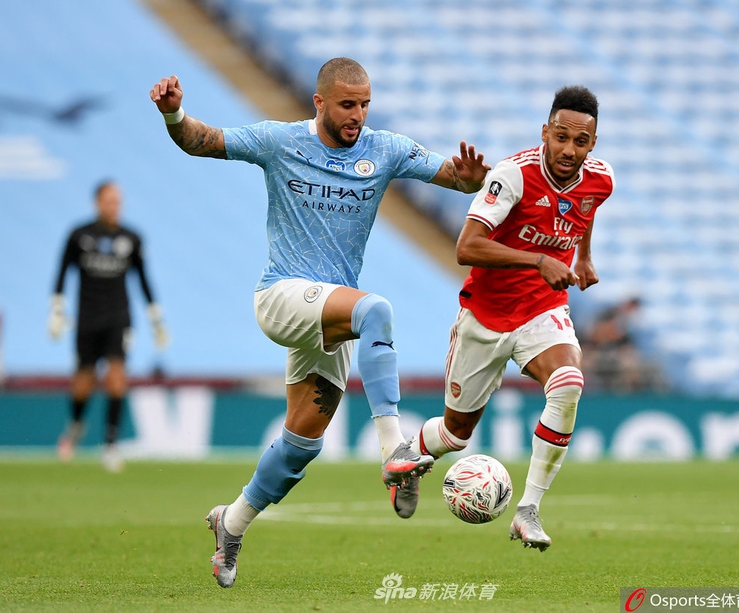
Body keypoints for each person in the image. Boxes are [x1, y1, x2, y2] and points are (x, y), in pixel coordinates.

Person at [149, 57, 489, 588]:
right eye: (348, 104)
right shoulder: (280, 141)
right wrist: (175, 115)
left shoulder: (385, 149)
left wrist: (468, 183)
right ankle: (394, 450)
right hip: (283, 296)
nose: (358, 115)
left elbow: (453, 174)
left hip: (331, 315)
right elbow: (203, 140)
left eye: (365, 104)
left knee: (302, 442)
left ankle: (231, 523)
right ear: (320, 102)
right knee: (377, 309)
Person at [412, 86, 615, 551]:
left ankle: (528, 511)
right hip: (485, 316)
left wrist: (582, 256)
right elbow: (466, 247)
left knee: (568, 383)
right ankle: (409, 457)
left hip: (542, 309)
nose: (569, 150)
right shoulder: (513, 175)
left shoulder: (601, 179)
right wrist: (538, 260)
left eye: (580, 142)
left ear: (593, 144)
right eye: (560, 137)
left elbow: (585, 209)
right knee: (454, 433)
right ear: (545, 132)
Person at [49, 180, 169, 472]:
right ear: (97, 203)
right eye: (108, 201)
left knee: (116, 378)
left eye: (117, 201)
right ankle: (77, 423)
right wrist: (57, 310)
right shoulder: (79, 235)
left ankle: (111, 445)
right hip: (87, 318)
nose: (113, 206)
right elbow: (62, 272)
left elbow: (143, 279)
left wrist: (156, 319)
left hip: (118, 318)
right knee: (83, 383)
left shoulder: (132, 238)